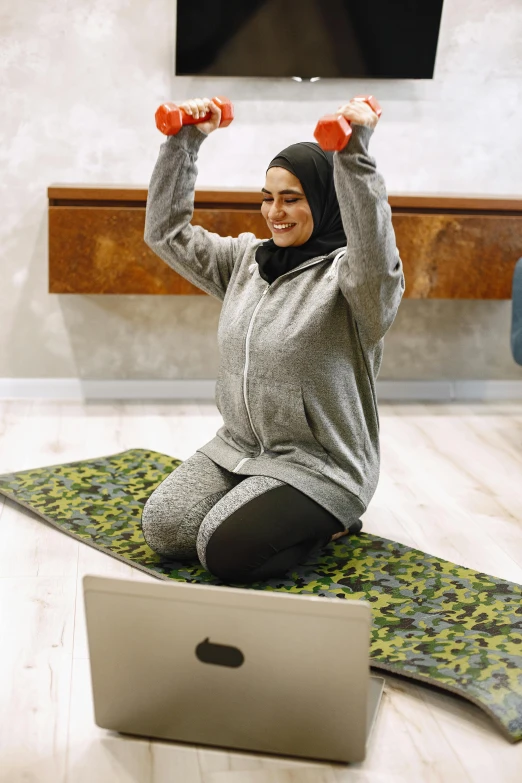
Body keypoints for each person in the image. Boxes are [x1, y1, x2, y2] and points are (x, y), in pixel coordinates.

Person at [141, 96, 405, 584]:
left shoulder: (354, 283)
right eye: (267, 197)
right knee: (165, 529)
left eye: (292, 198)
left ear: (326, 201)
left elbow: (372, 245)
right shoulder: (245, 261)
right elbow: (166, 233)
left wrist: (353, 154)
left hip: (322, 466)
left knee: (225, 553)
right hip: (240, 447)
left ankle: (333, 522)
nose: (275, 212)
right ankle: (256, 501)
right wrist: (185, 141)